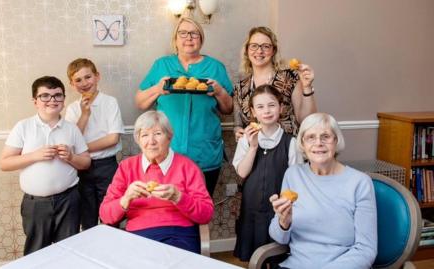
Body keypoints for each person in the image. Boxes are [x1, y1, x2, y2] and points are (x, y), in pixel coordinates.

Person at [135, 17, 233, 196]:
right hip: (167, 153)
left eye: (194, 33)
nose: (189, 38)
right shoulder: (162, 65)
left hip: (204, 153)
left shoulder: (215, 67)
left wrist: (219, 92)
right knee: (168, 208)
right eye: (183, 33)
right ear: (175, 39)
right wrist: (157, 89)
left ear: (201, 39)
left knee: (200, 208)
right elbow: (140, 102)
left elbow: (228, 109)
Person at [269, 113, 377, 269]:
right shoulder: (293, 174)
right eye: (311, 137)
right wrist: (283, 222)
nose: (318, 143)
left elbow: (366, 250)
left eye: (325, 136)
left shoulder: (359, 183)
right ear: (302, 143)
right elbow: (279, 237)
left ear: (336, 141)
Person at [0, 76, 91, 255]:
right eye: (45, 96)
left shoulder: (71, 129)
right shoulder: (23, 127)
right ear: (35, 101)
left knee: (69, 251)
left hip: (69, 200)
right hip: (36, 204)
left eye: (57, 95)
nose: (52, 100)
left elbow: (86, 163)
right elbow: (4, 163)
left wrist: (71, 157)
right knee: (37, 252)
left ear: (63, 100)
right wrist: (34, 156)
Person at [99, 111, 213, 253]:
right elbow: (105, 215)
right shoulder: (126, 167)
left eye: (158, 134)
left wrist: (179, 197)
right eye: (145, 135)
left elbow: (206, 214)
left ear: (169, 137)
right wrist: (126, 198)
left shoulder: (187, 166)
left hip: (179, 235)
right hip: (138, 237)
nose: (151, 141)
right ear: (138, 140)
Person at [231, 85, 303, 263]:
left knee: (278, 256)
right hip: (251, 210)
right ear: (253, 112)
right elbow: (242, 172)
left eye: (272, 105)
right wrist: (253, 146)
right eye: (260, 107)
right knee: (255, 257)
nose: (267, 111)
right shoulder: (246, 140)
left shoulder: (291, 142)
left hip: (279, 210)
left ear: (281, 108)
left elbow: (297, 180)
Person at [65, 58, 125, 231]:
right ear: (72, 84)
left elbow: (113, 138)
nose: (84, 83)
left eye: (88, 77)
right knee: (87, 218)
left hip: (107, 167)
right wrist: (84, 114)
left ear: (97, 77)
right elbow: (71, 143)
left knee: (111, 217)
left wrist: (81, 148)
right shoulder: (72, 109)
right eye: (78, 80)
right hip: (82, 169)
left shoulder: (110, 102)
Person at [233, 26, 317, 140]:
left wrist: (307, 87)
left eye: (266, 46)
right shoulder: (240, 87)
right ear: (247, 50)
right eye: (254, 46)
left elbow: (306, 120)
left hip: (288, 150)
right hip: (256, 153)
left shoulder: (289, 77)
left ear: (273, 51)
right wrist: (238, 131)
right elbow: (238, 125)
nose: (259, 51)